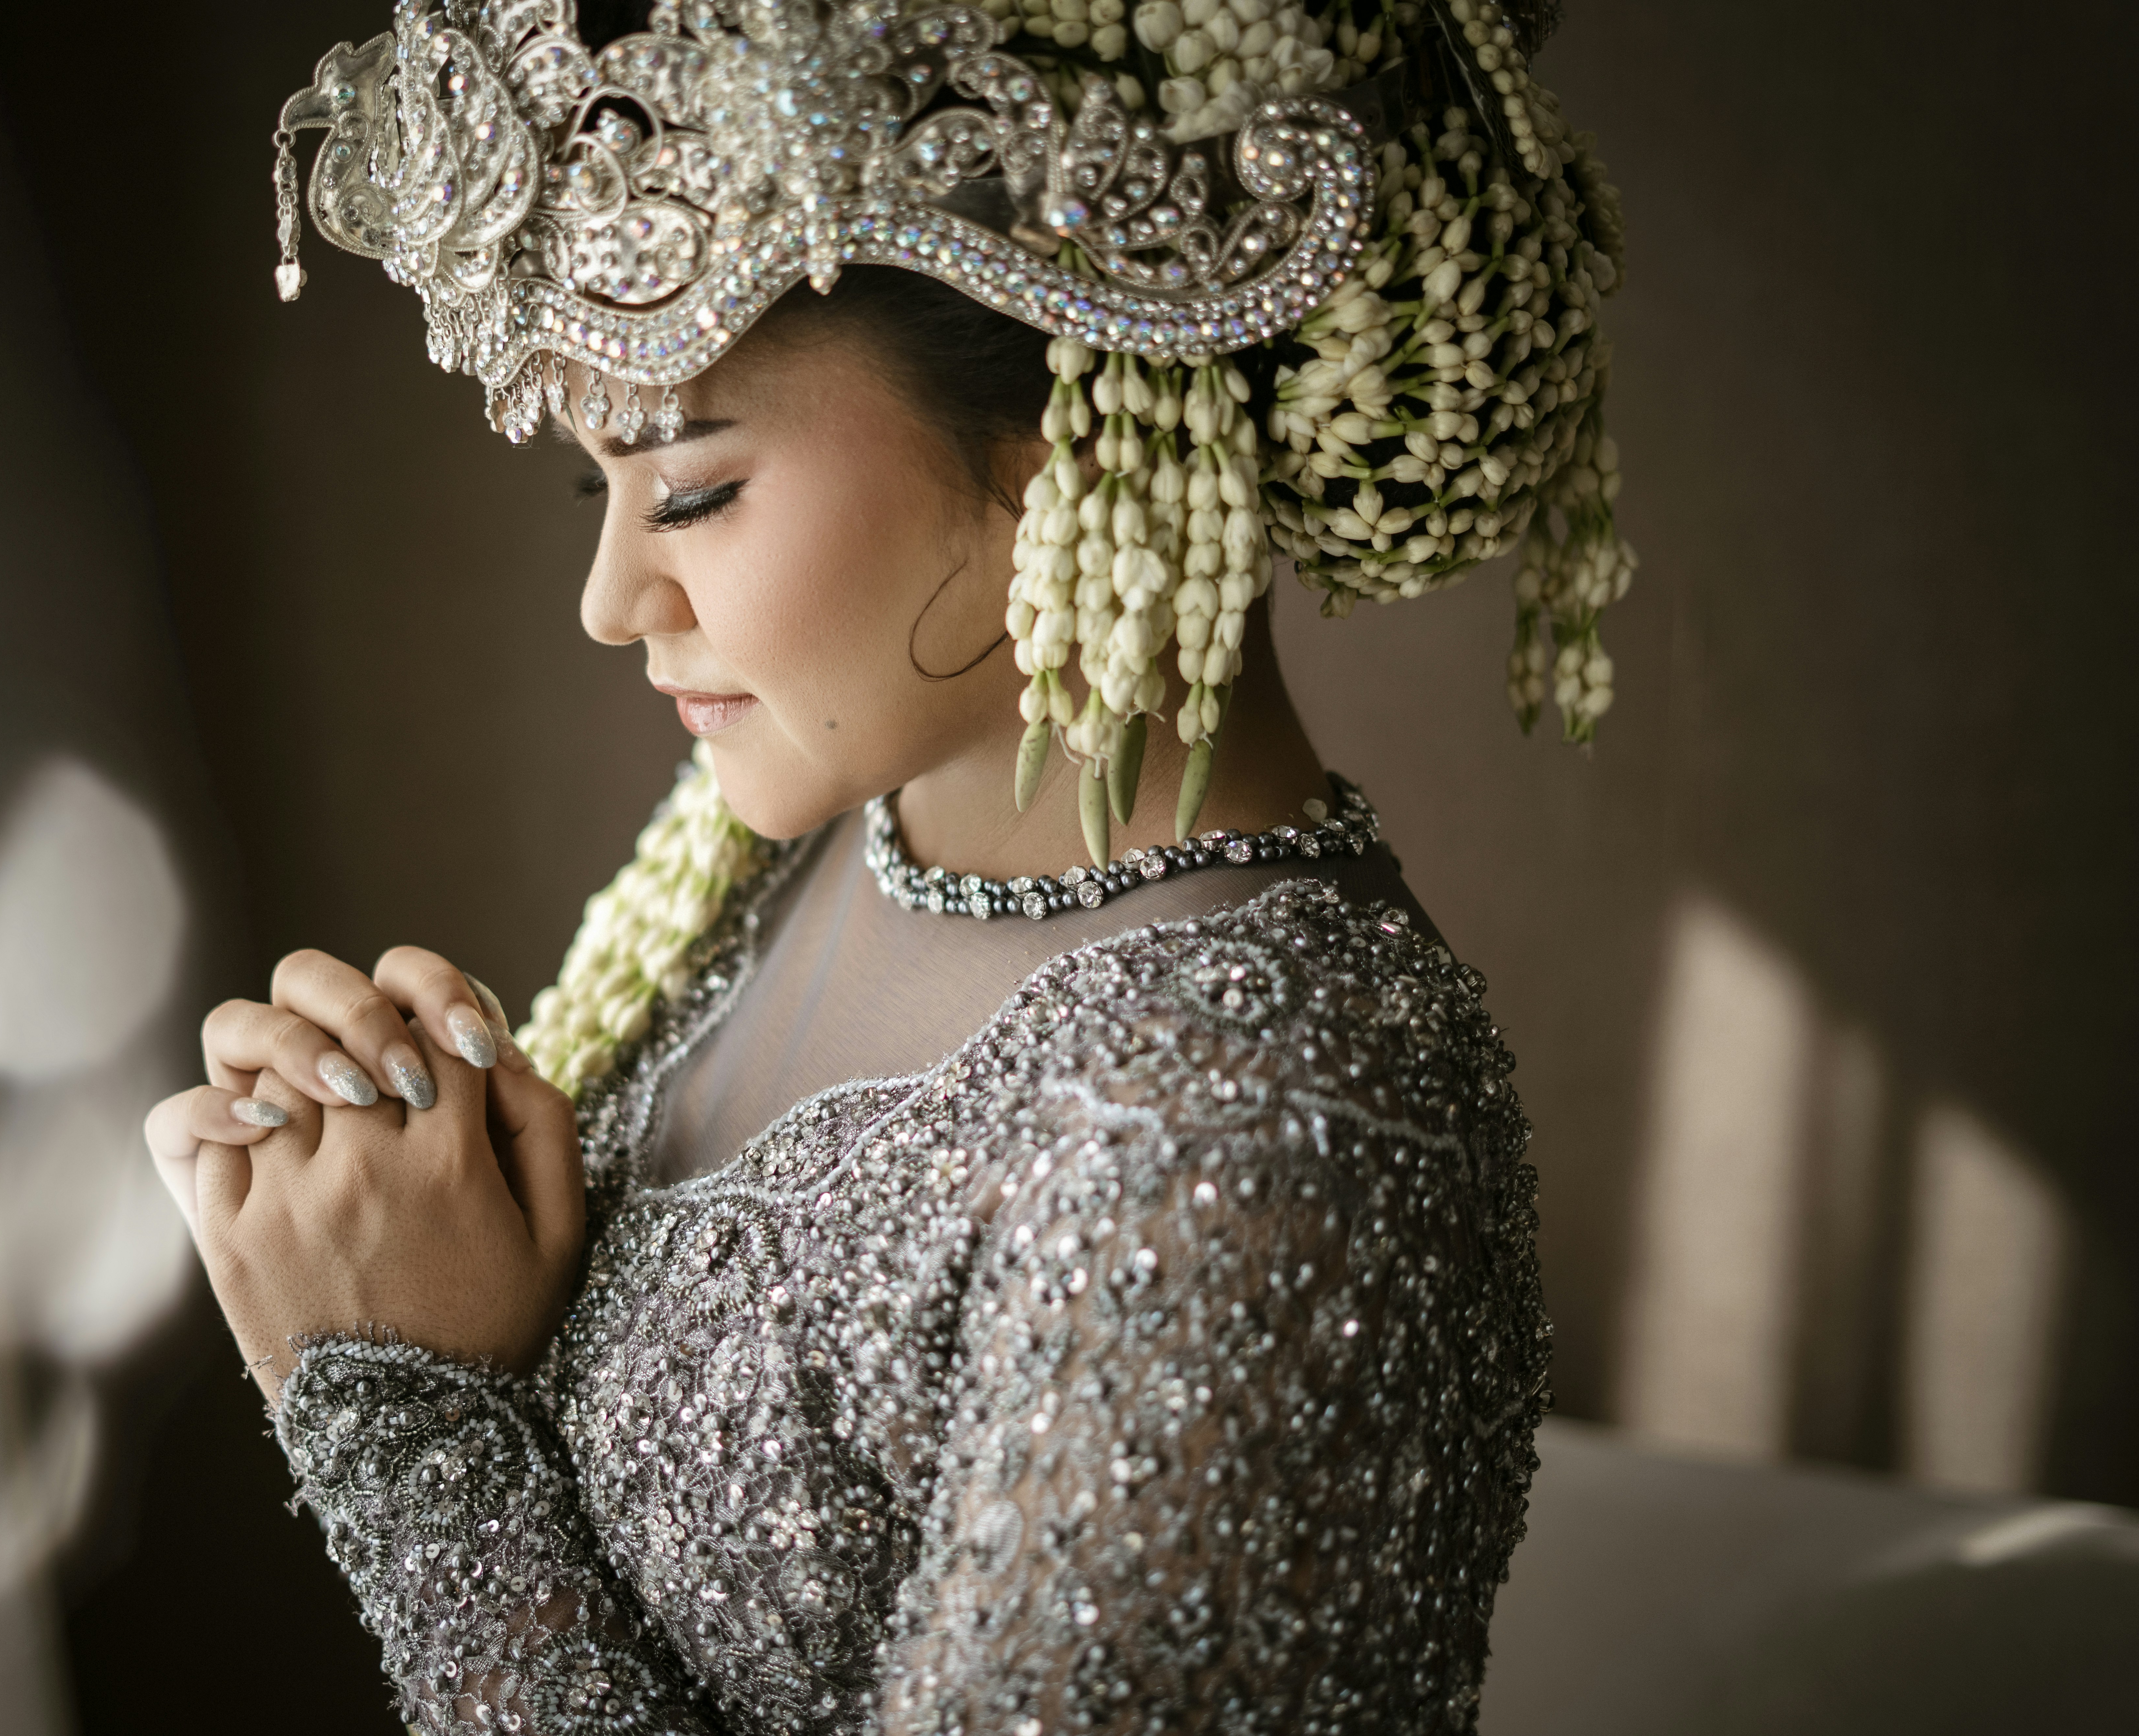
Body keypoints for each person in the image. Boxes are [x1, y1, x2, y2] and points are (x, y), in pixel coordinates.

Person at [144, 0, 1628, 1727]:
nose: (612, 601)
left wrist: (409, 1428)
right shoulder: (798, 844)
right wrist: (436, 1238)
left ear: (1063, 435)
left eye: (691, 490)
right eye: (592, 494)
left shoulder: (1261, 1115)